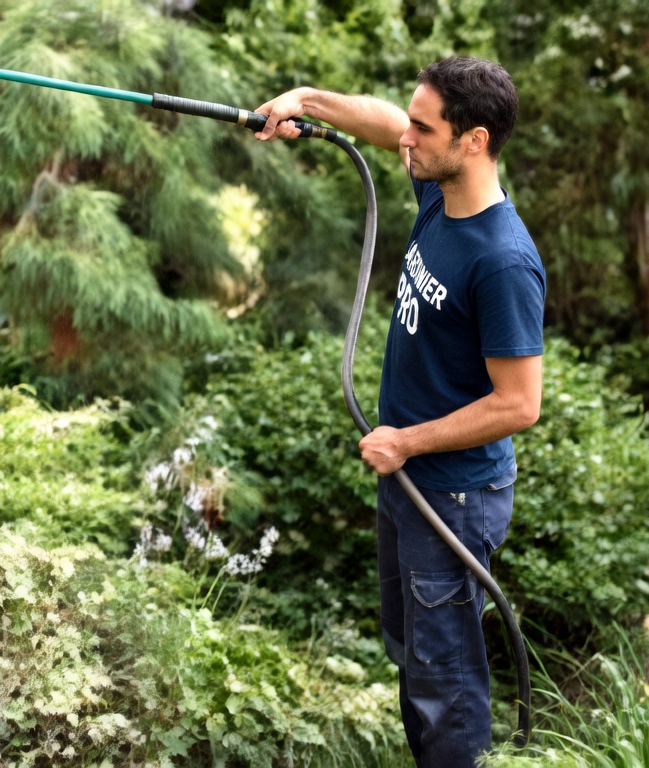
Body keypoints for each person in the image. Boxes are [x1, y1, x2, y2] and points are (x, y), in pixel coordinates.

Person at [253, 56, 545, 767]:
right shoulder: (441, 194)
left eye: (425, 128)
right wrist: (306, 100)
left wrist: (406, 442)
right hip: (410, 480)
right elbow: (386, 124)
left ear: (473, 141)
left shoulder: (502, 261)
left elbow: (519, 404)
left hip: (453, 495)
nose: (406, 139)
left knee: (446, 688)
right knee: (415, 659)